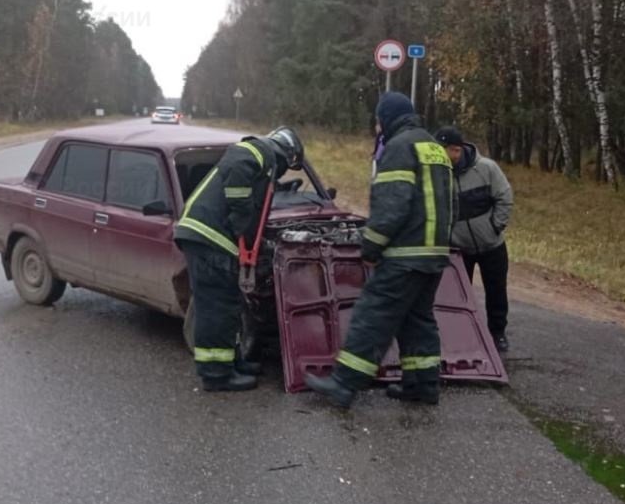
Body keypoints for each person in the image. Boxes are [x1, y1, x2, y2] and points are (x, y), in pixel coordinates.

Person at [306, 92, 455, 408]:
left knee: (373, 314)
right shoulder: (434, 147)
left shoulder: (400, 148)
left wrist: (370, 246)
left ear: (387, 118)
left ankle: (343, 383)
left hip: (404, 254)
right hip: (434, 252)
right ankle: (422, 385)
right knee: (418, 319)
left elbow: (392, 207)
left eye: (378, 121)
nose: (377, 128)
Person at [175, 127, 305, 392]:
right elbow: (237, 177)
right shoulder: (256, 150)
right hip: (208, 238)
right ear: (285, 153)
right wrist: (242, 223)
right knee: (215, 307)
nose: (282, 171)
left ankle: (233, 362)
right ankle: (215, 375)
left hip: (214, 240)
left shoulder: (263, 161)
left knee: (230, 304)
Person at [434, 126, 513, 353]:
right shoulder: (438, 174)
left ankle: (497, 334)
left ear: (457, 150)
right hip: (459, 250)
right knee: (458, 296)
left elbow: (504, 198)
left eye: (444, 151)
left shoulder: (487, 168)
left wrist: (495, 226)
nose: (440, 155)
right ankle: (461, 336)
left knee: (496, 292)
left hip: (492, 245)